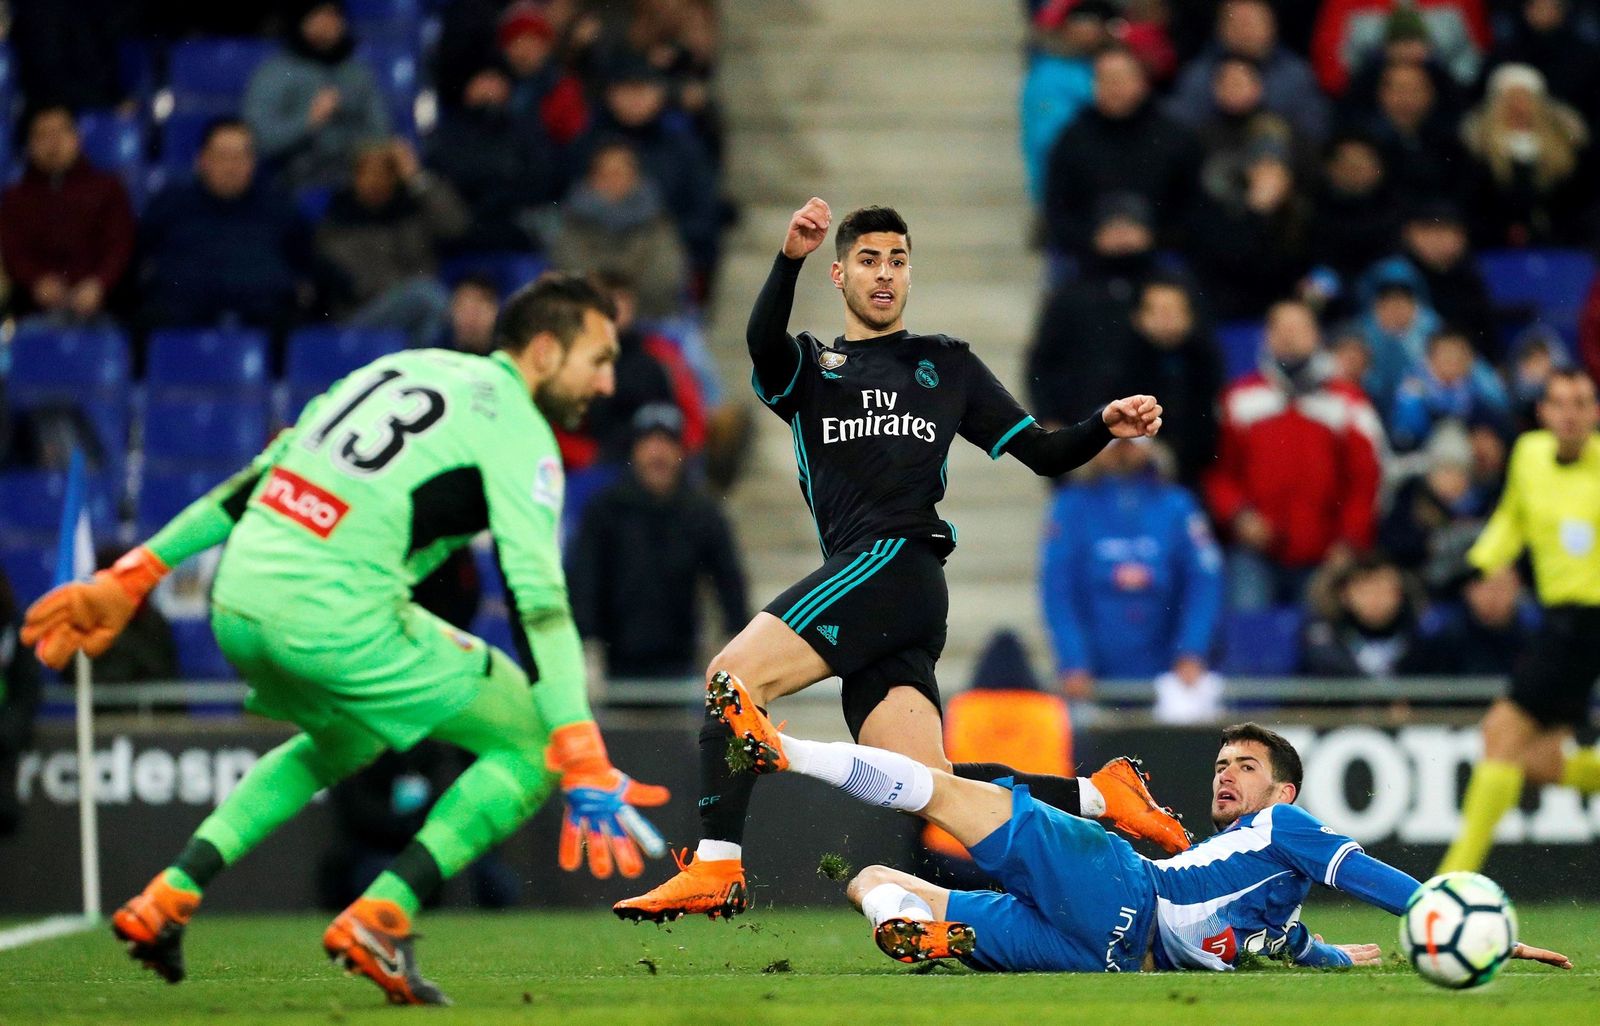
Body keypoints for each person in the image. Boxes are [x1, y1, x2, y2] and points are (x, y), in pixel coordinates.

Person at [20, 275, 669, 1005]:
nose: (608, 382)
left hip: (239, 599)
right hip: (332, 616)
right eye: (599, 359)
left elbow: (255, 480)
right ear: (545, 351)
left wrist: (134, 573)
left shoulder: (401, 368)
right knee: (529, 740)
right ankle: (383, 915)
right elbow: (537, 600)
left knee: (343, 740)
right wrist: (578, 742)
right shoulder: (519, 430)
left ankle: (168, 896)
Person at [614, 199, 1188, 923]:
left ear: (910, 272)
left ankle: (717, 867)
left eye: (897, 260)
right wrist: (786, 256)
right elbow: (762, 343)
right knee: (929, 786)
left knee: (732, 679)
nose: (885, 274)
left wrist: (1101, 426)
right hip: (887, 587)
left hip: (894, 561)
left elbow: (1040, 454)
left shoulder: (945, 363)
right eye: (868, 259)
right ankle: (1105, 797)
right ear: (839, 273)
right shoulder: (812, 368)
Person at [711, 687, 1571, 973]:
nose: (1226, 774)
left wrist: (1438, 913)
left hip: (1124, 890)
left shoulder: (1291, 827)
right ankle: (902, 923)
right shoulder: (1265, 901)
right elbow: (1285, 941)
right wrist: (1337, 957)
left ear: (1286, 789)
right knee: (881, 884)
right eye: (1222, 764)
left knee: (943, 791)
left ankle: (777, 747)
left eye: (1245, 766)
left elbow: (1362, 873)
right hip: (1111, 957)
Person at [1439, 368, 1600, 874]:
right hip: (1559, 622)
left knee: (1500, 732)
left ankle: (1449, 882)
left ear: (1595, 413)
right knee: (1543, 762)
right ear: (1544, 412)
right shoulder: (1529, 455)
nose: (1571, 414)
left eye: (1582, 403)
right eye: (1560, 403)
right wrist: (1480, 563)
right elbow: (1512, 517)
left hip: (1590, 622)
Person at [1206, 300, 1384, 610]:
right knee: (1252, 640)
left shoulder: (1348, 402)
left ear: (1316, 335)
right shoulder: (1238, 398)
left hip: (1326, 554)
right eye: (1280, 328)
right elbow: (1218, 472)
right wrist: (1238, 515)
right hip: (1254, 552)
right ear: (1266, 337)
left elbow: (1365, 481)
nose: (1289, 336)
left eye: (1298, 328)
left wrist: (1349, 542)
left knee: (1319, 646)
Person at [567, 404, 746, 681]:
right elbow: (585, 578)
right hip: (616, 663)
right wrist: (587, 643)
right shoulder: (606, 509)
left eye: (667, 442)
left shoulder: (700, 512)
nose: (657, 453)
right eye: (648, 442)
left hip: (680, 661)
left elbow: (729, 578)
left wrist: (735, 636)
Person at [1042, 438, 1223, 696]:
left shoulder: (1178, 506)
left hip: (1169, 673)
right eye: (1114, 444)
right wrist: (1074, 660)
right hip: (1093, 674)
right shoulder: (1070, 508)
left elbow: (1204, 583)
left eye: (1131, 443)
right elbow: (1058, 591)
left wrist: (1192, 650)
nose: (1123, 452)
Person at [137, 119, 316, 333]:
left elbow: (305, 258)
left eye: (240, 157)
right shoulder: (171, 203)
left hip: (266, 320)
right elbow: (141, 251)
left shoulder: (279, 206)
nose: (231, 167)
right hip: (178, 320)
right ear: (202, 160)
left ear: (253, 162)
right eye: (222, 157)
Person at [1043, 46, 1201, 257]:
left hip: (1163, 254)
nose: (1113, 88)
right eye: (1105, 79)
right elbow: (1058, 208)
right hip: (1089, 257)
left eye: (1120, 79)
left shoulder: (1175, 138)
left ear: (1141, 82)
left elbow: (1194, 206)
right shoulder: (1072, 139)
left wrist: (1154, 237)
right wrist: (1093, 238)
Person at [1027, 194, 1165, 427]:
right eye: (1112, 226)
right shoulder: (1070, 294)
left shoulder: (1171, 288)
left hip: (1157, 426)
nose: (1122, 235)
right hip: (1082, 425)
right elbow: (1043, 361)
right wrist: (1050, 417)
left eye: (1130, 226)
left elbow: (1197, 359)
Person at [317, 140, 469, 348]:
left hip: (419, 306)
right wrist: (409, 288)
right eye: (367, 172)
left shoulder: (412, 210)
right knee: (429, 297)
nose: (375, 180)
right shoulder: (339, 221)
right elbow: (359, 284)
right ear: (354, 176)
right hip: (360, 315)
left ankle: (416, 371)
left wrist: (417, 178)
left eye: (384, 172)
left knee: (435, 321)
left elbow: (455, 227)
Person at [0, 105, 136, 323]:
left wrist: (99, 284)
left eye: (60, 132)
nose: (53, 142)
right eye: (43, 135)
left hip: (101, 307)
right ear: (30, 146)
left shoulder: (108, 188)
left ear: (76, 139)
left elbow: (120, 245)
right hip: (35, 310)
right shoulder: (15, 198)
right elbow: (14, 253)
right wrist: (36, 282)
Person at [242, 0, 391, 191]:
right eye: (319, 14)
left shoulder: (358, 73)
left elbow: (380, 133)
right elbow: (259, 140)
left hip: (353, 178)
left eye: (334, 15)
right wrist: (309, 120)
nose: (328, 23)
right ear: (301, 20)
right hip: (290, 178)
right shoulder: (275, 72)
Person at [550, 141, 690, 322]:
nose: (613, 181)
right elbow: (566, 267)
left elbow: (667, 276)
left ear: (636, 177)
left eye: (621, 173)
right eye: (605, 174)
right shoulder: (572, 223)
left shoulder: (658, 223)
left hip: (651, 318)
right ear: (591, 178)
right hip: (584, 318)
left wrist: (626, 300)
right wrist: (608, 293)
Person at [1459, 63, 1594, 248]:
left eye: (1526, 98)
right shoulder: (1480, 148)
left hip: (1563, 240)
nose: (1519, 106)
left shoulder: (1566, 146)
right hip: (1499, 242)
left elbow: (1579, 197)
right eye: (1511, 98)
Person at [1167, 0, 1330, 143]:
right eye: (1236, 23)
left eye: (1251, 23)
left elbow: (1314, 131)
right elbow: (1179, 129)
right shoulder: (1198, 75)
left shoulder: (1295, 75)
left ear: (1271, 26)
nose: (1244, 32)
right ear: (1220, 28)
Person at [1115, 279, 1223, 487]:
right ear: (1138, 318)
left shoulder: (1206, 362)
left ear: (1190, 317)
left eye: (1173, 311)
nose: (1165, 319)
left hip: (1198, 474)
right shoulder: (1120, 364)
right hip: (1137, 477)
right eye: (1156, 311)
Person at [1300, 553, 1428, 678]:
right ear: (1344, 595)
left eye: (1384, 589)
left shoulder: (1424, 641)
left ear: (1400, 594)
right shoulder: (1324, 640)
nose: (1375, 599)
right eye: (1365, 591)